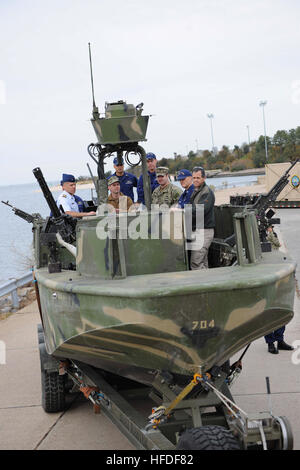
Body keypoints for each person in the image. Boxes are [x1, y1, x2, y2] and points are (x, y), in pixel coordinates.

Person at [264, 224, 293, 354]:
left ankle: (280, 340)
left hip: (276, 268)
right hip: (265, 272)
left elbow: (277, 244)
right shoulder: (258, 234)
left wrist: (271, 232)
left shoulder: (272, 233)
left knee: (281, 310)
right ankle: (270, 343)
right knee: (268, 313)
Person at [189, 167, 215, 270]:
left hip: (204, 231)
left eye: (198, 178)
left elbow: (200, 210)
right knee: (202, 262)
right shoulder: (196, 191)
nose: (195, 180)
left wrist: (183, 210)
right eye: (193, 177)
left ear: (204, 178)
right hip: (199, 231)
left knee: (196, 263)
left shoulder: (206, 192)